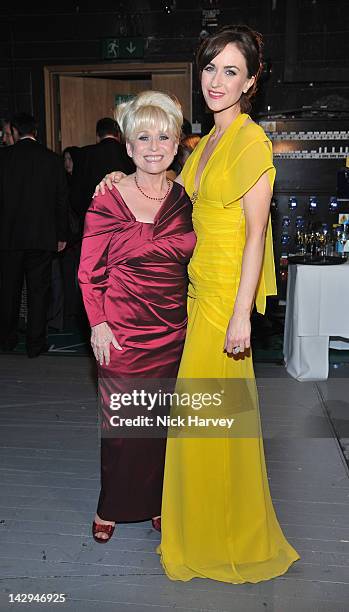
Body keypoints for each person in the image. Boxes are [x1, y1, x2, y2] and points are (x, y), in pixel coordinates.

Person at [97, 24, 300, 583]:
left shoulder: (251, 141)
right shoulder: (204, 142)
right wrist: (119, 175)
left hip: (220, 303)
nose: (216, 80)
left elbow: (257, 233)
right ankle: (199, 522)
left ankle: (222, 535)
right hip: (190, 296)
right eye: (210, 67)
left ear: (252, 80)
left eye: (230, 70)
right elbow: (166, 195)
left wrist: (240, 314)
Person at [78, 92, 196, 543]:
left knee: (161, 426)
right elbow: (89, 271)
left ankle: (158, 502)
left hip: (174, 330)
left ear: (176, 143)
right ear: (127, 146)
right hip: (121, 331)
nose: (153, 145)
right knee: (124, 425)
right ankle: (111, 505)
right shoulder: (109, 197)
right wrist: (98, 324)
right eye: (142, 137)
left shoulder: (185, 199)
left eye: (163, 136)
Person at [0, 112, 68, 357]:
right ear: (35, 132)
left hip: (8, 237)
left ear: (15, 132)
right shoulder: (52, 159)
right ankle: (35, 345)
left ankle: (6, 341)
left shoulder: (4, 158)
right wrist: (62, 235)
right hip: (42, 235)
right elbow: (61, 200)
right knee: (39, 292)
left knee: (9, 290)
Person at [72, 117, 134, 222]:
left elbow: (76, 194)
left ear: (97, 136)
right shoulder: (130, 152)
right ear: (118, 135)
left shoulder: (84, 154)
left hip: (93, 217)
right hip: (126, 219)